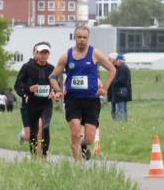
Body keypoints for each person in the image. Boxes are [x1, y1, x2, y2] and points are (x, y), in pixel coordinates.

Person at [49, 25, 116, 161]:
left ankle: (84, 147)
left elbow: (112, 69)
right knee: (75, 130)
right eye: (79, 37)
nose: (82, 40)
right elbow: (52, 77)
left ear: (88, 38)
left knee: (89, 138)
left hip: (91, 100)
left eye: (84, 37)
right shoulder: (66, 56)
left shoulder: (95, 53)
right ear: (75, 38)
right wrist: (58, 91)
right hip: (72, 100)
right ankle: (78, 166)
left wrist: (105, 88)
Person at [15, 43, 58, 158]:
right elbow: (18, 85)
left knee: (45, 127)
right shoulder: (27, 67)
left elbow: (56, 86)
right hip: (30, 104)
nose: (44, 55)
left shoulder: (52, 69)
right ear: (36, 53)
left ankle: (44, 155)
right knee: (32, 133)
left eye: (46, 53)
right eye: (41, 53)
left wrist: (54, 93)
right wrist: (28, 90)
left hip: (46, 104)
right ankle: (34, 155)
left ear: (49, 54)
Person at [109, 54, 132, 121]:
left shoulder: (122, 68)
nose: (116, 62)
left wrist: (113, 82)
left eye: (116, 61)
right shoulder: (124, 67)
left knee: (120, 107)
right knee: (123, 107)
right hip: (124, 90)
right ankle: (124, 120)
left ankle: (120, 121)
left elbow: (121, 80)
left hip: (120, 91)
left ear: (120, 61)